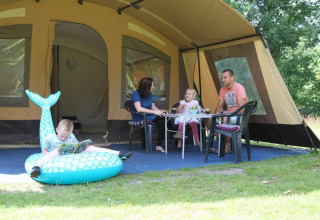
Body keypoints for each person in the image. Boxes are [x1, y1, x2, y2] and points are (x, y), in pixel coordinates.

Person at [30, 119, 132, 178]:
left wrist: (83, 147)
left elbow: (76, 147)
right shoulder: (50, 137)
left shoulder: (71, 137)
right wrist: (53, 154)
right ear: (57, 130)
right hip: (56, 156)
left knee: (90, 148)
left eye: (66, 136)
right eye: (62, 136)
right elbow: (44, 151)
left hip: (71, 155)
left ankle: (119, 153)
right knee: (56, 151)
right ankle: (36, 167)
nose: (64, 138)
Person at [206, 69, 248, 153]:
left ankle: (227, 146)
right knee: (208, 120)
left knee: (225, 118)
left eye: (225, 77)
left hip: (239, 116)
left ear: (232, 77)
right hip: (228, 114)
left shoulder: (239, 88)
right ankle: (225, 138)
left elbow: (242, 109)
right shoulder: (223, 90)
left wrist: (228, 113)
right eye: (222, 78)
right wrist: (216, 116)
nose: (222, 80)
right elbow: (219, 107)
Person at [131, 77, 168, 153]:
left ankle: (158, 145)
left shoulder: (149, 94)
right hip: (140, 117)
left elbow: (153, 106)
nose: (153, 87)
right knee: (163, 119)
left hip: (149, 115)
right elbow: (139, 109)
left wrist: (160, 112)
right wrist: (155, 112)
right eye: (152, 85)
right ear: (146, 86)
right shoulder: (135, 93)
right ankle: (176, 134)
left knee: (163, 119)